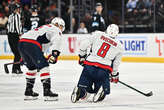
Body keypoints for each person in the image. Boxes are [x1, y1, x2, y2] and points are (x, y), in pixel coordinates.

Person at [71, 24, 124, 103]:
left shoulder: (98, 34)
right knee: (101, 87)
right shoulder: (120, 46)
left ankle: (80, 91)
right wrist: (114, 74)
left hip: (89, 65)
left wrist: (82, 56)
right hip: (104, 69)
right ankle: (101, 90)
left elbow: (83, 44)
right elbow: (116, 63)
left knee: (84, 84)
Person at [18, 17, 65, 101]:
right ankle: (47, 92)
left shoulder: (45, 28)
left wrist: (25, 57)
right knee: (44, 66)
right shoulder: (55, 29)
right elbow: (57, 41)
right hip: (32, 43)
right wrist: (55, 54)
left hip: (22, 42)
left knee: (32, 67)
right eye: (61, 26)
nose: (61, 29)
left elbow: (40, 49)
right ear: (58, 25)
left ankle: (28, 92)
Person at [7, 3, 23, 74]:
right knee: (18, 53)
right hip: (15, 35)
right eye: (17, 8)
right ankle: (15, 69)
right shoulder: (17, 15)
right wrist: (20, 34)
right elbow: (17, 27)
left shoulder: (10, 16)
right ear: (14, 9)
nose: (18, 10)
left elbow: (8, 27)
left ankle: (17, 68)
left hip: (10, 35)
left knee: (17, 53)